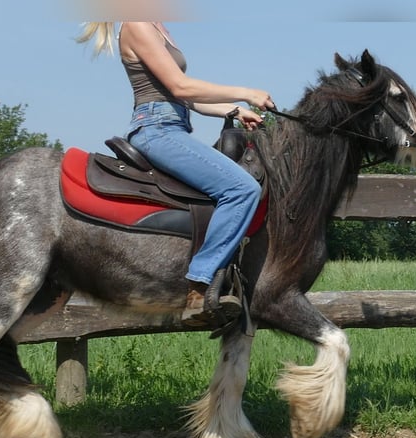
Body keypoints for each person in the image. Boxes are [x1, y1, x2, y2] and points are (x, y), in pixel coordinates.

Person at [77, 22, 275, 326]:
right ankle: (199, 287)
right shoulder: (137, 24)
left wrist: (233, 110)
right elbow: (181, 86)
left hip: (174, 126)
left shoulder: (158, 27)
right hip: (156, 129)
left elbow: (183, 96)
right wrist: (246, 93)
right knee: (242, 189)